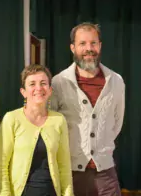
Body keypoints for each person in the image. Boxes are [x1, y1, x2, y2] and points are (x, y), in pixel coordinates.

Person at [51, 22, 125, 196]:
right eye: (82, 44)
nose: (88, 48)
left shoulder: (116, 81)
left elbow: (116, 124)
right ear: (72, 48)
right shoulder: (59, 82)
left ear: (100, 46)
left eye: (93, 43)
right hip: (70, 173)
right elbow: (52, 129)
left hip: (106, 173)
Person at [0, 64, 74, 196]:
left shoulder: (59, 120)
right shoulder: (11, 119)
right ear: (23, 92)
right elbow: (1, 165)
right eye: (32, 84)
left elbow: (64, 166)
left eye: (43, 83)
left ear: (50, 90)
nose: (38, 88)